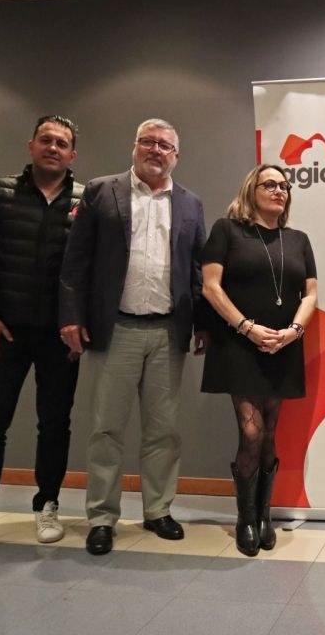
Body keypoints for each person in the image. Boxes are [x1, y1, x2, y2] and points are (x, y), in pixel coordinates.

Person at [59, 118, 207, 555]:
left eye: (165, 145)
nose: (156, 150)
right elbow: (75, 261)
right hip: (115, 329)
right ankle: (102, 518)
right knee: (106, 429)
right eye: (148, 141)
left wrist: (202, 324)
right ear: (135, 146)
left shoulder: (191, 203)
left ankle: (158, 510)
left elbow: (197, 270)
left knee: (164, 430)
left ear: (176, 156)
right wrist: (71, 317)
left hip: (168, 330)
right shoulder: (101, 191)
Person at [0, 116, 83, 560]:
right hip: (4, 333)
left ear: (72, 155)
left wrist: (77, 322)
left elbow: (89, 268)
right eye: (46, 140)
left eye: (62, 143)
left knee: (55, 423)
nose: (53, 147)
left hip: (60, 337)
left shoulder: (85, 200)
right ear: (31, 145)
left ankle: (47, 506)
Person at [200, 164, 317, 557]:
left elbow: (310, 294)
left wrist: (294, 331)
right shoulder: (227, 230)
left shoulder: (298, 239)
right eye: (270, 184)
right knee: (251, 433)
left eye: (285, 186)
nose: (279, 190)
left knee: (269, 434)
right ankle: (245, 518)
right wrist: (246, 327)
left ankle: (264, 516)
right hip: (239, 344)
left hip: (282, 345)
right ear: (252, 189)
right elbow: (210, 286)